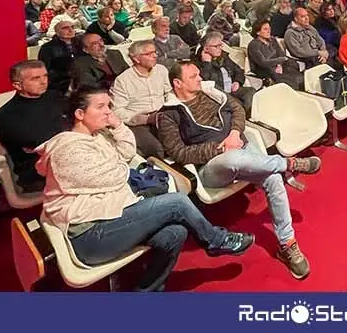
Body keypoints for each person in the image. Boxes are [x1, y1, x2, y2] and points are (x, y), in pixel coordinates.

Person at [37, 87, 254, 292]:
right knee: (177, 201)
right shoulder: (67, 149)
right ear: (80, 114)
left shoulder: (97, 136)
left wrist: (118, 126)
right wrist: (119, 166)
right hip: (89, 236)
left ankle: (147, 291)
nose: (108, 112)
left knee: (175, 234)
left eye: (109, 106)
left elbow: (128, 152)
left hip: (111, 219)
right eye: (101, 107)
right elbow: (113, 177)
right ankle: (216, 240)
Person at [157, 61, 318, 279]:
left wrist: (234, 133)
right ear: (177, 83)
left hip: (239, 146)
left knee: (273, 180)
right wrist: (219, 148)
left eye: (198, 74)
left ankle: (287, 243)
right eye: (193, 76)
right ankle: (288, 163)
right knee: (234, 157)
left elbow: (237, 109)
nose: (200, 77)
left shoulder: (211, 93)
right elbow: (178, 153)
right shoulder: (168, 114)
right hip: (212, 167)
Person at [0, 61, 68, 193]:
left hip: (68, 157)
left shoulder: (54, 97)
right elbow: (39, 142)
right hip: (36, 173)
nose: (43, 82)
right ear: (17, 85)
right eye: (35, 78)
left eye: (45, 76)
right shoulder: (5, 115)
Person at [110, 40, 171, 158]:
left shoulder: (161, 70)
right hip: (138, 123)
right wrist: (146, 119)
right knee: (157, 149)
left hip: (163, 115)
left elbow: (168, 93)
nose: (155, 56)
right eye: (149, 54)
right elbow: (117, 112)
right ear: (136, 59)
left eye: (155, 52)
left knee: (182, 138)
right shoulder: (122, 81)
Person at [196, 32, 256, 116]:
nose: (220, 48)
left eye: (221, 45)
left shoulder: (223, 57)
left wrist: (237, 82)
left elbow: (238, 70)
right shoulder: (198, 63)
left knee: (251, 92)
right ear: (206, 49)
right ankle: (240, 116)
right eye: (216, 46)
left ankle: (242, 115)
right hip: (219, 95)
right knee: (238, 103)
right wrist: (207, 63)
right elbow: (206, 82)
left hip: (232, 90)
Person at [247, 19, 304, 90]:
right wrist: (280, 60)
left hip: (277, 65)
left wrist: (279, 65)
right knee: (279, 74)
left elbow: (281, 54)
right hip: (263, 69)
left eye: (269, 29)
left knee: (292, 64)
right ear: (258, 32)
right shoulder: (254, 45)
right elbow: (263, 62)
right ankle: (291, 89)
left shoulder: (272, 40)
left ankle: (301, 84)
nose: (269, 31)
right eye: (265, 29)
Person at [38, 21, 78, 94]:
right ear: (57, 32)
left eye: (72, 27)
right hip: (60, 84)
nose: (70, 30)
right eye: (65, 28)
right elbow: (45, 69)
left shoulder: (80, 44)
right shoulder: (48, 48)